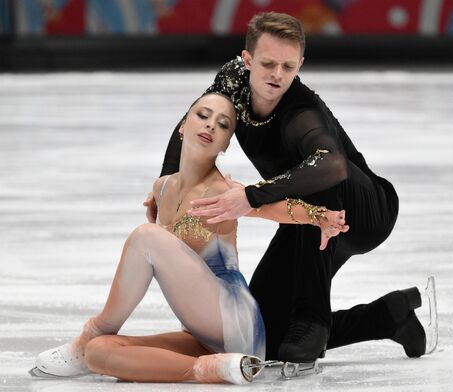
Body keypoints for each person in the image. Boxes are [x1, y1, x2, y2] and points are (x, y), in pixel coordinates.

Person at [150, 12, 437, 363]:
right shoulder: (232, 81)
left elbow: (332, 164)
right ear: (247, 60)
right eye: (268, 63)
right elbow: (194, 124)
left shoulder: (301, 113)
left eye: (288, 67)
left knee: (318, 172)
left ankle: (312, 321)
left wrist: (250, 197)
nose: (277, 75)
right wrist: (169, 182)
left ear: (300, 64)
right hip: (306, 214)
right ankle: (388, 317)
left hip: (366, 210)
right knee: (262, 337)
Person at [32, 93, 348, 384]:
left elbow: (273, 208)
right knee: (100, 353)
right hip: (205, 337)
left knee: (146, 237)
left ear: (225, 144)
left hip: (233, 320)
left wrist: (321, 217)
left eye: (223, 124)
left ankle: (93, 331)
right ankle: (214, 368)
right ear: (184, 126)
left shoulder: (223, 190)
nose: (211, 124)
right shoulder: (162, 188)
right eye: (203, 115)